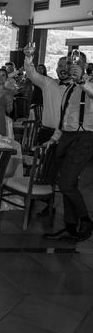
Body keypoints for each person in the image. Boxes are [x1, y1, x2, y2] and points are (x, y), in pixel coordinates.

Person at [44, 52, 93, 242]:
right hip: (66, 137)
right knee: (68, 184)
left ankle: (86, 220)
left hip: (85, 137)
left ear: (85, 64)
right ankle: (70, 227)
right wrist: (55, 138)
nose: (72, 66)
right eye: (70, 63)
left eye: (77, 63)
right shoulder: (69, 87)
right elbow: (63, 118)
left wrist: (82, 80)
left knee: (66, 182)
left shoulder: (88, 83)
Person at [24, 52, 70, 144]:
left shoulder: (79, 88)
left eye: (67, 66)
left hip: (69, 135)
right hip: (47, 132)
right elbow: (31, 74)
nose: (63, 69)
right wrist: (28, 57)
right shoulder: (48, 83)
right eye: (60, 66)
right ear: (56, 69)